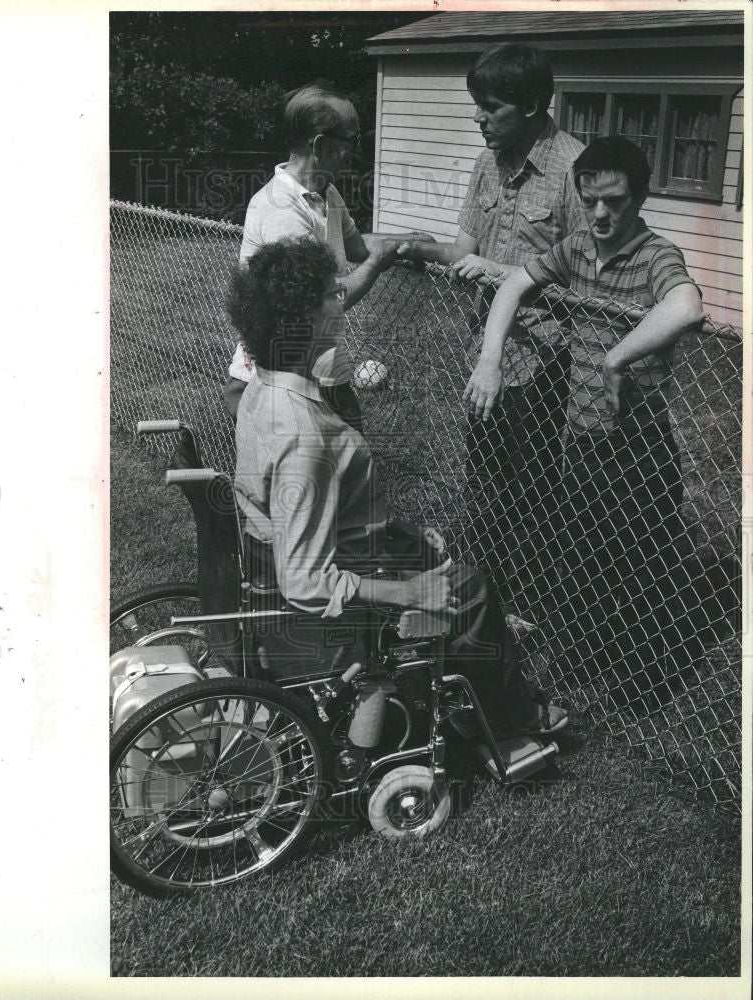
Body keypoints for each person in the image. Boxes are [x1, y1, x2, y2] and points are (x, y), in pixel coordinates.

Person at [228, 236, 568, 738]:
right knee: (472, 589)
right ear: (301, 319)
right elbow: (303, 581)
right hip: (329, 595)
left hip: (307, 551)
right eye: (330, 293)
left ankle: (461, 688)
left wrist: (395, 533)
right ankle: (512, 720)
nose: (342, 296)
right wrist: (407, 589)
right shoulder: (307, 436)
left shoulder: (262, 386)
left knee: (437, 559)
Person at [472, 135, 705, 706]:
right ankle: (581, 657)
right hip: (581, 437)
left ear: (641, 198)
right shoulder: (575, 248)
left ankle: (646, 679)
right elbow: (514, 285)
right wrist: (490, 358)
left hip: (638, 444)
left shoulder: (656, 255)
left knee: (643, 562)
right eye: (591, 199)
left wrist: (617, 354)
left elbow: (687, 305)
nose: (602, 214)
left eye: (616, 201)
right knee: (580, 551)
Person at [397, 43, 586, 586]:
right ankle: (485, 583)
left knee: (533, 484)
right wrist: (412, 248)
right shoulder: (487, 161)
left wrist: (498, 271)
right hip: (488, 351)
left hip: (548, 357)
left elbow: (583, 278)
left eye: (490, 106)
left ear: (529, 107)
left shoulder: (574, 169)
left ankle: (528, 592)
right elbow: (465, 250)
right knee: (484, 475)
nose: (477, 117)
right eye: (475, 104)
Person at [224, 80, 424, 430]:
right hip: (279, 380)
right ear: (320, 145)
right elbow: (323, 301)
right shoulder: (281, 210)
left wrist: (412, 241)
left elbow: (359, 247)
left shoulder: (326, 194)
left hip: (322, 368)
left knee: (345, 466)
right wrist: (380, 262)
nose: (356, 151)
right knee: (304, 476)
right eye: (352, 140)